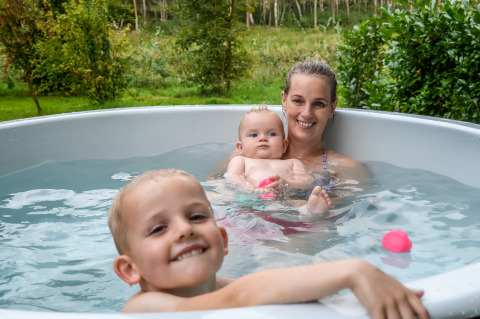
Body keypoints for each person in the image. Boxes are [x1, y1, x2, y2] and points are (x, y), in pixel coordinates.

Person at [108, 169, 429, 318]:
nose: (183, 231)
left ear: (223, 240)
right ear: (129, 269)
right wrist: (354, 271)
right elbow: (245, 293)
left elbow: (270, 290)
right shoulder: (144, 308)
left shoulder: (218, 286)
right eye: (159, 228)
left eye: (195, 217)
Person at [226, 106, 331, 218]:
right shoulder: (241, 161)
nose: (263, 138)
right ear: (240, 147)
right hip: (250, 201)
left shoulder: (292, 163)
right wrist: (251, 189)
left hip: (283, 201)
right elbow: (234, 177)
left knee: (298, 203)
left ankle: (310, 211)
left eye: (271, 134)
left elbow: (307, 180)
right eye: (254, 135)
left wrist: (287, 183)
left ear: (284, 145)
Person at [281, 60, 370, 189]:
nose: (306, 113)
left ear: (332, 108)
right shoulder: (250, 155)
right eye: (298, 101)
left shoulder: (347, 169)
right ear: (284, 101)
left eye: (318, 104)